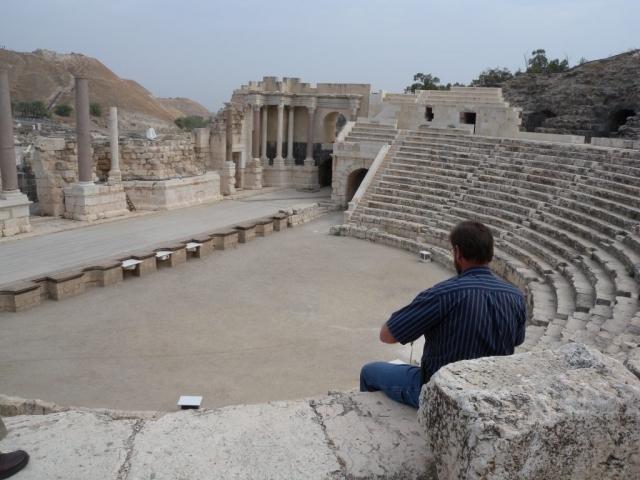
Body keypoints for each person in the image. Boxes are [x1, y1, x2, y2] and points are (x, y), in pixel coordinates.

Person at [360, 221, 527, 408]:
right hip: (490, 392)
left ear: (457, 252)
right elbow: (517, 340)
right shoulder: (516, 296)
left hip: (443, 393)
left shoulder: (445, 293)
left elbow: (387, 335)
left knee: (369, 371)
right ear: (490, 253)